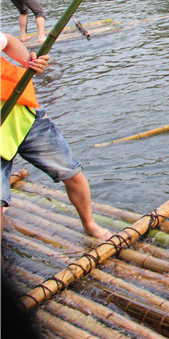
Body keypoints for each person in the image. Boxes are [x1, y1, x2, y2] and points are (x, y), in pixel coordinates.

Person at [1, 32, 111, 240]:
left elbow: (8, 42)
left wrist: (28, 62)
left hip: (23, 116)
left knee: (72, 173)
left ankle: (89, 224)